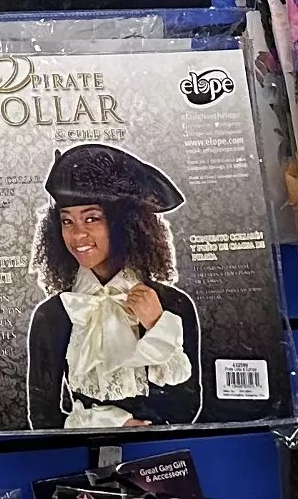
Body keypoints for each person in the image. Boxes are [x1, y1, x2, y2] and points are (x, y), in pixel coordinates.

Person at [25, 143, 202, 429]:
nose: (77, 234)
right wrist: (107, 423)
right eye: (67, 221)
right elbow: (42, 416)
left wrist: (157, 326)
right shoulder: (55, 314)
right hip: (79, 451)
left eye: (91, 218)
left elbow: (186, 408)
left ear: (124, 224)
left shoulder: (172, 305)